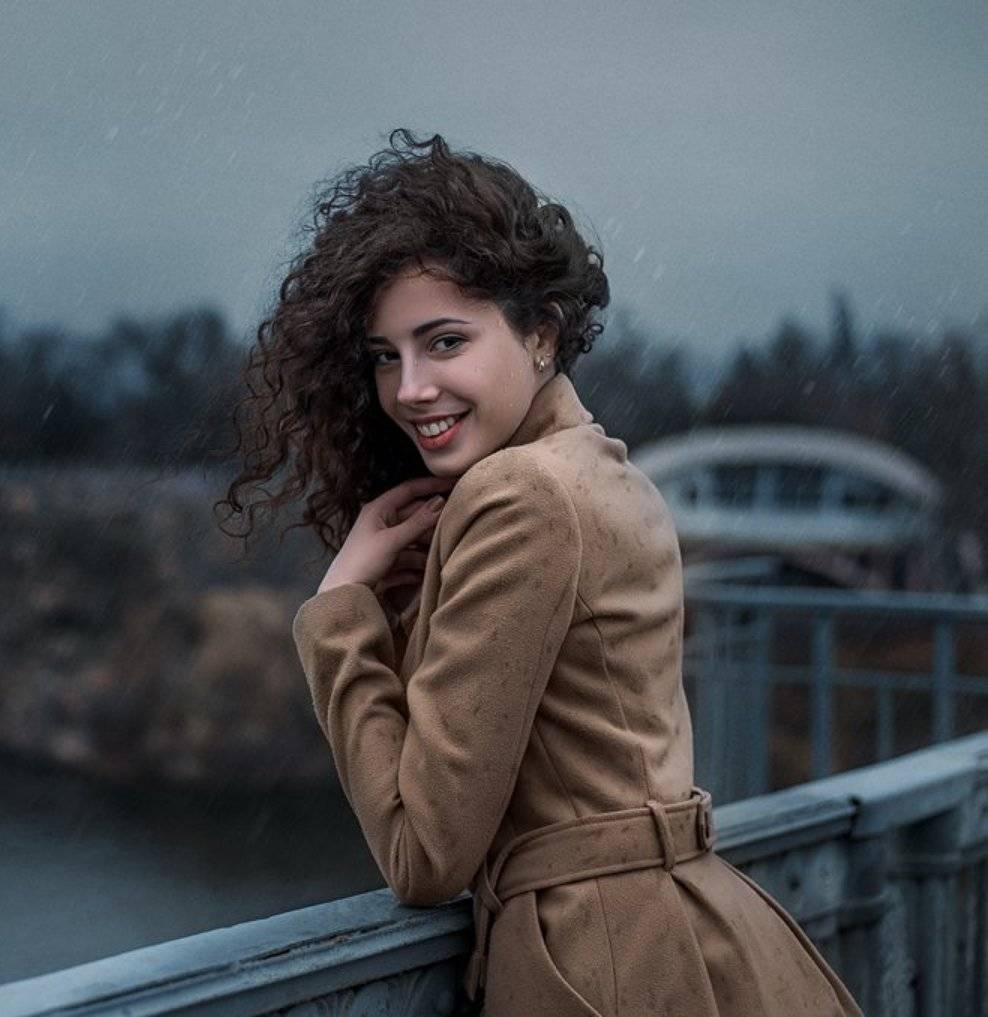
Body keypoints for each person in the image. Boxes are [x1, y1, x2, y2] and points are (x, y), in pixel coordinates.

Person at [216, 130, 861, 1016]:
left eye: (444, 341)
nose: (409, 388)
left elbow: (423, 855)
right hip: (682, 930)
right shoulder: (600, 468)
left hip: (601, 963)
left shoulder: (521, 495)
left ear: (541, 336)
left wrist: (338, 615)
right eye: (383, 356)